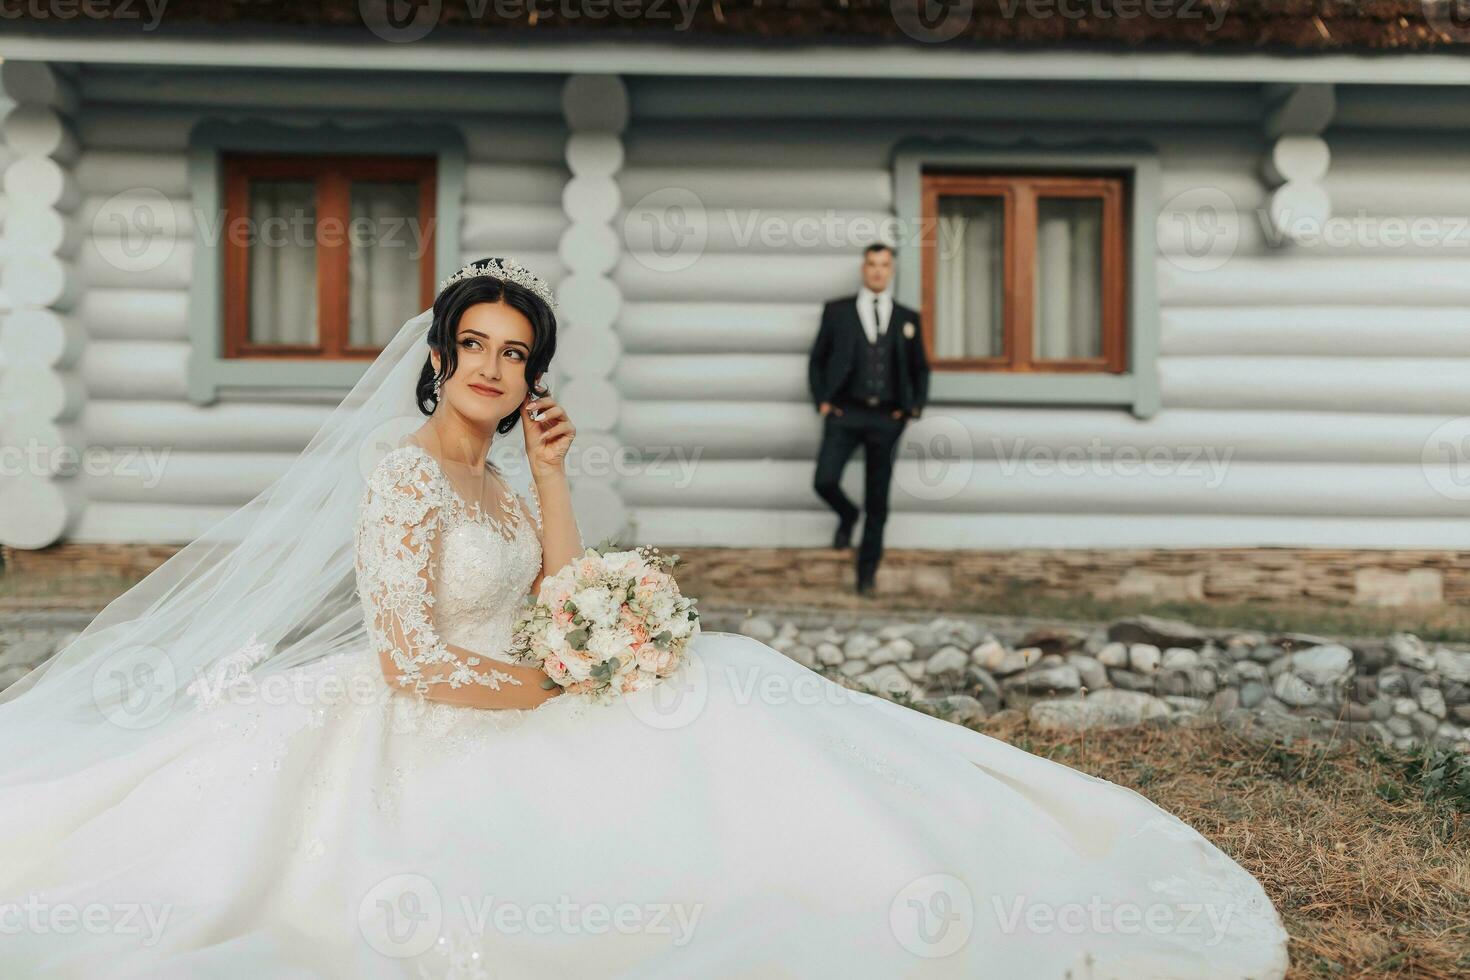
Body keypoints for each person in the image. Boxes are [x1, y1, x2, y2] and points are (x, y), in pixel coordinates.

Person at [0, 257, 1289, 979]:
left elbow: (562, 591)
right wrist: (557, 692)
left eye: (520, 354)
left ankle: (901, 858)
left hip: (519, 679)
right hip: (430, 713)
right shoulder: (398, 472)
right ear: (437, 354)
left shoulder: (501, 473)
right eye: (478, 344)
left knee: (723, 675)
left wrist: (558, 489)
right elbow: (407, 656)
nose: (497, 368)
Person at [809, 243, 930, 596]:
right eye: (872, 264)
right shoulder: (837, 311)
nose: (878, 270)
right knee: (825, 479)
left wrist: (912, 409)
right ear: (864, 268)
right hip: (845, 412)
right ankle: (848, 515)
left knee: (878, 499)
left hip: (887, 417)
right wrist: (823, 402)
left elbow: (920, 368)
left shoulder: (908, 317)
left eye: (884, 265)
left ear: (891, 270)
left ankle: (867, 575)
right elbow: (817, 360)